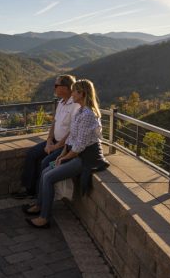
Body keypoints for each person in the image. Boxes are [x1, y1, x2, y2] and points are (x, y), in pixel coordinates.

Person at [23, 79, 109, 228]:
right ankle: (40, 205)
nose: (72, 94)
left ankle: (44, 218)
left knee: (49, 177)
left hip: (85, 158)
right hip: (73, 153)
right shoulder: (80, 111)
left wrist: (63, 159)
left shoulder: (88, 115)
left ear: (81, 94)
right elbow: (71, 138)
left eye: (74, 91)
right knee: (45, 172)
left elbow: (79, 147)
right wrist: (62, 155)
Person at [13, 75, 79, 199]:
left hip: (64, 145)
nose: (54, 88)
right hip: (53, 141)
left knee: (44, 163)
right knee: (32, 154)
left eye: (56, 86)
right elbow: (54, 122)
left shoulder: (75, 105)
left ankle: (39, 197)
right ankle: (29, 190)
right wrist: (49, 140)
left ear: (65, 87)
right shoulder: (61, 102)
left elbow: (72, 131)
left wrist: (56, 147)